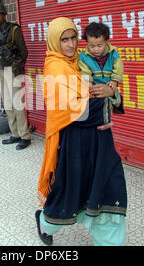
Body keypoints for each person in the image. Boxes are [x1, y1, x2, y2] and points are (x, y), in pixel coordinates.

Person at [35, 17, 127, 246]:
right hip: (74, 143)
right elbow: (76, 111)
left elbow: (109, 93)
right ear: (55, 42)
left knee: (109, 189)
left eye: (73, 38)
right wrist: (107, 103)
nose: (70, 45)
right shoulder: (55, 68)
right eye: (64, 40)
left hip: (101, 140)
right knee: (69, 194)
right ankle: (45, 224)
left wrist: (110, 93)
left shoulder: (84, 60)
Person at [0, 2, 31, 150]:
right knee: (7, 103)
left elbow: (23, 52)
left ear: (4, 14)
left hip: (12, 70)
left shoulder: (14, 30)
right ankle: (15, 134)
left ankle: (25, 136)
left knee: (17, 103)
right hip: (0, 69)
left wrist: (15, 67)